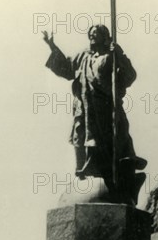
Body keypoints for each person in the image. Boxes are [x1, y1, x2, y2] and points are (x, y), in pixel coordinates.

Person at [43, 25, 147, 204]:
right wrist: (52, 46)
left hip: (106, 110)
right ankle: (83, 176)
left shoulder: (111, 56)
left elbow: (129, 76)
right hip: (84, 110)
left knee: (111, 143)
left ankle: (115, 180)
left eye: (96, 34)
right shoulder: (83, 56)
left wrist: (119, 56)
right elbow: (67, 68)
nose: (92, 37)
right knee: (80, 137)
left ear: (105, 37)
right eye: (90, 34)